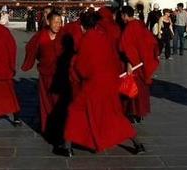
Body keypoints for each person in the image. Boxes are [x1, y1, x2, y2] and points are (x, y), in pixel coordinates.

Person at [55, 11, 144, 157]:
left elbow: (82, 69)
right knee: (114, 114)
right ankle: (138, 144)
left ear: (83, 27)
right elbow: (113, 60)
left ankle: (67, 146)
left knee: (75, 111)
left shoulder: (85, 41)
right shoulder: (103, 38)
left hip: (93, 85)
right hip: (109, 83)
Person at [21, 11, 65, 142]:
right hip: (45, 75)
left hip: (60, 76)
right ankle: (47, 128)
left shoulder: (64, 36)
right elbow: (31, 48)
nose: (58, 25)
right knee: (46, 103)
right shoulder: (40, 36)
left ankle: (61, 128)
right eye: (55, 21)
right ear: (48, 21)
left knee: (60, 103)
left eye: (60, 22)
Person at [119, 6, 160, 123]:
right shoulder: (140, 25)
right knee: (141, 89)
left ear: (125, 15)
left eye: (122, 15)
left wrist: (129, 63)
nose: (121, 18)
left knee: (133, 89)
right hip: (142, 63)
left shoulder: (129, 28)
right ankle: (140, 113)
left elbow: (127, 47)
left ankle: (132, 112)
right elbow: (152, 42)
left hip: (133, 63)